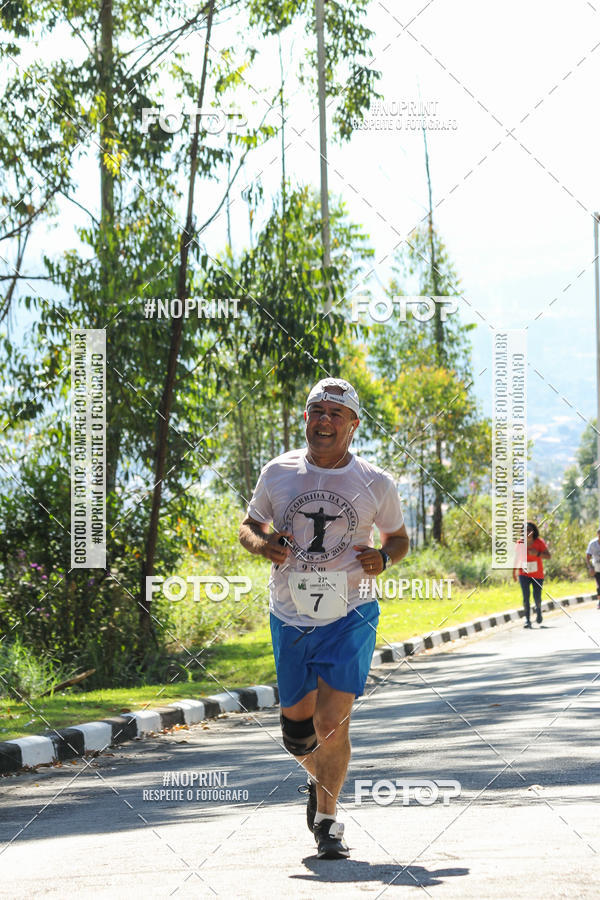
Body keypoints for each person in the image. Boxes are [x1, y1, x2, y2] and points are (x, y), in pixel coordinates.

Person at [239, 377, 409, 859]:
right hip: (290, 613)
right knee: (298, 733)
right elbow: (249, 525)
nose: (325, 420)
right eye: (318, 410)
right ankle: (315, 782)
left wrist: (384, 557)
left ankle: (329, 822)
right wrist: (263, 544)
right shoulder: (278, 472)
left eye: (337, 413)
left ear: (353, 426)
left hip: (350, 610)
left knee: (332, 722)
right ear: (306, 418)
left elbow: (398, 538)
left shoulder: (376, 482)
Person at [513, 521, 551, 628]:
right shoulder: (520, 543)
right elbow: (516, 558)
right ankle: (527, 620)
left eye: (529, 530)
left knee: (537, 596)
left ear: (533, 531)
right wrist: (514, 572)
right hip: (523, 573)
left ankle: (538, 611)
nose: (527, 532)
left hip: (537, 574)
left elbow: (548, 556)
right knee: (526, 597)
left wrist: (537, 553)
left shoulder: (539, 542)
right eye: (525, 530)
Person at [584, 525, 600, 609]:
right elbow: (588, 557)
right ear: (597, 534)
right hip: (597, 568)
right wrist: (590, 567)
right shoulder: (593, 544)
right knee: (599, 586)